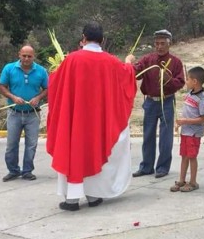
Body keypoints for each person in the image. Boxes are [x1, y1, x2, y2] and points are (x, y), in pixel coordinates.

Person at [46, 22, 138, 211]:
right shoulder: (111, 61)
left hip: (75, 119)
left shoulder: (72, 60)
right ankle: (94, 196)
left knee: (74, 152)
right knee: (95, 151)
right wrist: (129, 63)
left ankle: (71, 199)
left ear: (83, 39)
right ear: (102, 40)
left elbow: (55, 82)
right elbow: (126, 77)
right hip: (98, 121)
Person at [128, 29, 185, 179]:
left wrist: (168, 80)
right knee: (147, 135)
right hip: (150, 102)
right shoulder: (147, 59)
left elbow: (180, 83)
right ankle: (146, 167)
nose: (159, 47)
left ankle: (162, 167)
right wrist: (128, 64)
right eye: (157, 43)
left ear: (169, 44)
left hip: (167, 101)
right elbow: (134, 72)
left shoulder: (176, 62)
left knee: (166, 137)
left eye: (162, 43)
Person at [0, 45, 48, 182]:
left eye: (29, 56)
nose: (26, 58)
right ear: (19, 54)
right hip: (14, 113)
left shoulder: (41, 71)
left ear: (34, 56)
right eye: (24, 55)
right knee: (11, 145)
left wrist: (38, 98)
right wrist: (13, 97)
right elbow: (2, 86)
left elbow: (47, 88)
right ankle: (13, 171)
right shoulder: (9, 68)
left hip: (32, 114)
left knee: (31, 144)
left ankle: (27, 171)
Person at [169, 66, 204, 193]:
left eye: (188, 80)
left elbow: (203, 119)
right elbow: (187, 113)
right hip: (185, 131)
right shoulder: (189, 94)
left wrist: (185, 121)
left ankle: (193, 182)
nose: (186, 82)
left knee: (192, 156)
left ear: (195, 81)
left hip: (194, 133)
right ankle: (181, 180)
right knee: (184, 156)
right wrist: (179, 123)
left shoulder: (202, 99)